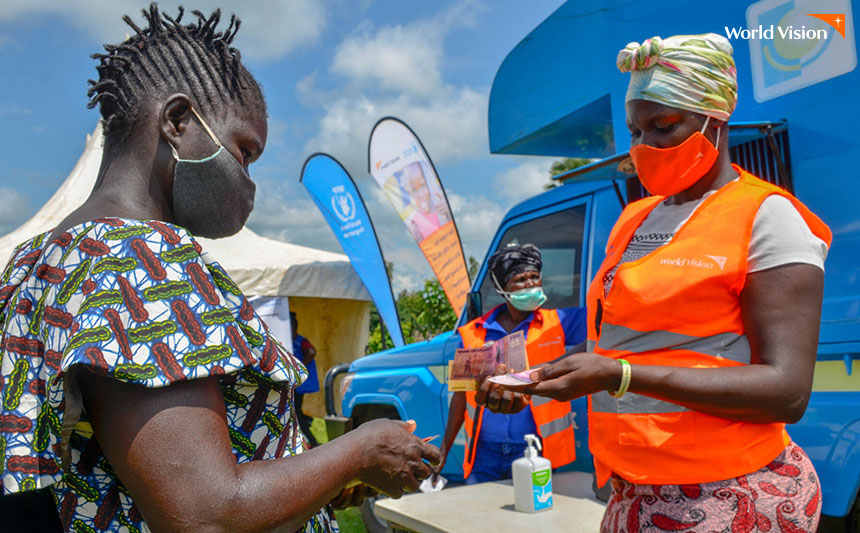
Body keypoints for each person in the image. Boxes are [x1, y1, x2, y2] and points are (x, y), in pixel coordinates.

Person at [0, 6, 440, 532]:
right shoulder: (137, 263)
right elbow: (207, 516)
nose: (249, 181)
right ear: (178, 122)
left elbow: (116, 470)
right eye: (245, 151)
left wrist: (319, 482)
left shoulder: (36, 261)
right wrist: (361, 450)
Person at [488, 34, 831, 531]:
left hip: (730, 494)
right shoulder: (634, 219)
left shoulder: (766, 216)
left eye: (664, 127)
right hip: (637, 490)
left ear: (715, 120)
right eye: (634, 132)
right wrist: (538, 382)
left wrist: (619, 374)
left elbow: (786, 391)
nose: (645, 147)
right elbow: (624, 341)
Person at [434, 243, 586, 484]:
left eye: (535, 277)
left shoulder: (558, 322)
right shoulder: (474, 333)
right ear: (501, 288)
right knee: (483, 517)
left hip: (536, 448)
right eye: (520, 279)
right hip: (484, 454)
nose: (531, 285)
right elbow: (461, 396)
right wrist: (443, 450)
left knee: (534, 517)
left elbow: (603, 329)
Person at [291, 312, 319, 447]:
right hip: (295, 384)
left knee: (296, 413)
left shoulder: (300, 341)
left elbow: (312, 352)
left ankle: (312, 441)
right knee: (296, 412)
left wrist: (300, 365)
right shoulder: (291, 341)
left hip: (299, 385)